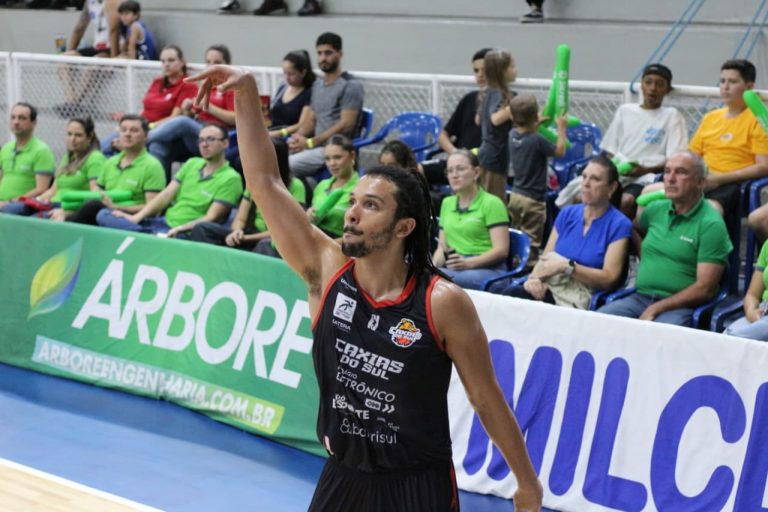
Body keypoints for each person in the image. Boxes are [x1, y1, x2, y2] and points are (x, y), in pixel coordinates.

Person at [187, 63, 542, 512]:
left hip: (417, 484)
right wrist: (246, 96)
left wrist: (526, 483)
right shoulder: (327, 270)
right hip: (345, 473)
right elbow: (265, 182)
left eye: (371, 205)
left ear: (403, 227)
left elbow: (485, 397)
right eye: (353, 201)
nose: (352, 212)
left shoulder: (442, 303)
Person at [597, 151, 732, 326]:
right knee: (597, 323)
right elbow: (633, 227)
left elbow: (705, 289)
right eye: (667, 171)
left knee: (658, 335)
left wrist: (657, 308)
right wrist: (643, 252)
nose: (670, 178)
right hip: (640, 297)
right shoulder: (656, 209)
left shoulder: (711, 224)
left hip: (681, 306)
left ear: (700, 182)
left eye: (681, 172)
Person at [562, 63, 688, 220]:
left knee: (625, 201)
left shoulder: (672, 116)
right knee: (581, 197)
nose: (653, 88)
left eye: (659, 84)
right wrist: (613, 171)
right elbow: (609, 151)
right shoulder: (625, 111)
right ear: (641, 85)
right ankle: (583, 230)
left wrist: (643, 170)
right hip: (618, 172)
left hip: (646, 177)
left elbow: (674, 159)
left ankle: (614, 232)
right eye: (648, 82)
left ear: (667, 90)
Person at [503, 156, 631, 309]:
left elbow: (609, 278)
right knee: (507, 296)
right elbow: (546, 259)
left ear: (612, 187)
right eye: (584, 177)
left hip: (578, 296)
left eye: (595, 179)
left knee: (515, 301)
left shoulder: (619, 224)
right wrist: (535, 279)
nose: (586, 184)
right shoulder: (568, 213)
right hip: (551, 285)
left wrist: (567, 266)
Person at [97, 124, 242, 236]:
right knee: (103, 215)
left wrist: (181, 228)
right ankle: (148, 235)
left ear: (225, 143)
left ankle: (148, 237)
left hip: (185, 232)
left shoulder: (231, 178)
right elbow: (166, 195)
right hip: (162, 223)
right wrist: (135, 218)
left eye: (210, 139)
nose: (204, 144)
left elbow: (211, 218)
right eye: (201, 140)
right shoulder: (192, 163)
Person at [189, 139, 306, 249]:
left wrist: (247, 238)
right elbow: (240, 219)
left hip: (274, 240)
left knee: (264, 245)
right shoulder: (253, 182)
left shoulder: (296, 186)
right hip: (248, 234)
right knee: (202, 228)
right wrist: (237, 232)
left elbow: (287, 230)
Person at [147, 45, 235, 176]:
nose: (212, 66)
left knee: (182, 122)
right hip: (198, 130)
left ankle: (142, 139)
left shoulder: (231, 86)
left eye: (217, 62)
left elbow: (235, 118)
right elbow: (192, 114)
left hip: (219, 135)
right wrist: (187, 109)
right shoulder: (205, 85)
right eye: (208, 62)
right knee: (158, 144)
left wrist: (208, 107)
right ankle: (158, 186)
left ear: (227, 64)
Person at [287, 32, 364, 178]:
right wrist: (297, 138)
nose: (323, 58)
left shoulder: (351, 85)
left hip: (334, 150)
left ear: (340, 54)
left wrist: (311, 142)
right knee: (269, 157)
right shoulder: (317, 85)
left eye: (328, 53)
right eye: (319, 53)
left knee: (283, 165)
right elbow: (311, 120)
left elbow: (346, 124)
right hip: (314, 147)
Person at [433, 150, 510, 290]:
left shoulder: (492, 203)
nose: (454, 175)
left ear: (476, 172)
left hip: (488, 268)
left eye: (460, 169)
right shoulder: (447, 203)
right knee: (422, 276)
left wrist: (468, 263)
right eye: (450, 171)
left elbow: (501, 250)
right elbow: (442, 247)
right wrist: (431, 268)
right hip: (455, 267)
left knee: (437, 280)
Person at [3, 117, 105, 221]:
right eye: (69, 134)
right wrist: (36, 201)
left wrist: (68, 211)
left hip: (68, 207)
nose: (72, 139)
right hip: (51, 203)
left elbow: (95, 195)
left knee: (33, 220)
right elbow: (52, 191)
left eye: (78, 135)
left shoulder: (95, 158)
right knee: (11, 209)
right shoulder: (67, 158)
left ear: (89, 137)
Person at [69, 114, 165, 224]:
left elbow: (153, 208)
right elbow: (97, 191)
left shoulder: (152, 166)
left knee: (95, 209)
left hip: (133, 220)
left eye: (134, 130)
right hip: (105, 214)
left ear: (146, 136)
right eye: (123, 130)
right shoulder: (110, 162)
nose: (127, 134)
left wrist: (117, 207)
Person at [102, 45, 197, 154]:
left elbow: (174, 118)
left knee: (153, 146)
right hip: (142, 126)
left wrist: (149, 126)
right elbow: (146, 110)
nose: (166, 64)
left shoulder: (187, 84)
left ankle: (135, 142)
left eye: (171, 60)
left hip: (160, 131)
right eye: (163, 61)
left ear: (182, 62)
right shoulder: (157, 81)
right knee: (104, 146)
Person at [507, 93, 567, 265]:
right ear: (534, 117)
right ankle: (528, 268)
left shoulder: (512, 134)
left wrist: (534, 122)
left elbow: (525, 129)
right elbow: (560, 151)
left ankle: (514, 263)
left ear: (512, 117)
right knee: (532, 240)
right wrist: (561, 128)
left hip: (516, 195)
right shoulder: (537, 140)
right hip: (533, 199)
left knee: (517, 233)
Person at [421, 48, 491, 187]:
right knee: (414, 172)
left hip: (483, 165)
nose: (480, 75)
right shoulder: (469, 99)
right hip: (457, 162)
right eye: (476, 71)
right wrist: (455, 153)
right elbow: (443, 135)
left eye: (485, 70)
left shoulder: (506, 102)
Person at [55, 0, 121, 116]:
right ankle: (72, 102)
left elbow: (114, 30)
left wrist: (113, 60)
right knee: (64, 59)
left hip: (113, 47)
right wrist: (71, 52)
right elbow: (79, 28)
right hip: (97, 46)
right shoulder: (90, 3)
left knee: (93, 64)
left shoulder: (112, 2)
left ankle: (76, 102)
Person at [0, 103, 56, 212]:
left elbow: (41, 189)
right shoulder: (6, 149)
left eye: (22, 118)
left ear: (34, 123)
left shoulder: (41, 151)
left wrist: (10, 202)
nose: (16, 122)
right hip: (2, 203)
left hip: (22, 206)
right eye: (13, 117)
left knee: (10, 209)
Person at [477, 49, 516, 202]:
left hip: (491, 155)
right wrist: (513, 107)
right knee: (494, 201)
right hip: (494, 157)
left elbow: (478, 119)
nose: (515, 70)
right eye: (512, 66)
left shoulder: (488, 93)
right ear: (502, 71)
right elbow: (495, 119)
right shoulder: (498, 93)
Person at [307, 135, 359, 239]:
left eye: (337, 157)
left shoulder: (360, 188)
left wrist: (332, 244)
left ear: (352, 156)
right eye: (327, 159)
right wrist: (308, 215)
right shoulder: (322, 185)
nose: (332, 164)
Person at [724, 238, 768, 340]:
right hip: (763, 311)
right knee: (727, 337)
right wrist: (752, 313)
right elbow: (752, 295)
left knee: (733, 338)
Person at [267, 50, 315, 140]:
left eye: (291, 74)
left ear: (303, 72)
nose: (287, 77)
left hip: (288, 136)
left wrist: (280, 133)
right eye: (285, 73)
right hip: (272, 131)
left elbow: (302, 124)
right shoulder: (283, 87)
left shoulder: (309, 92)